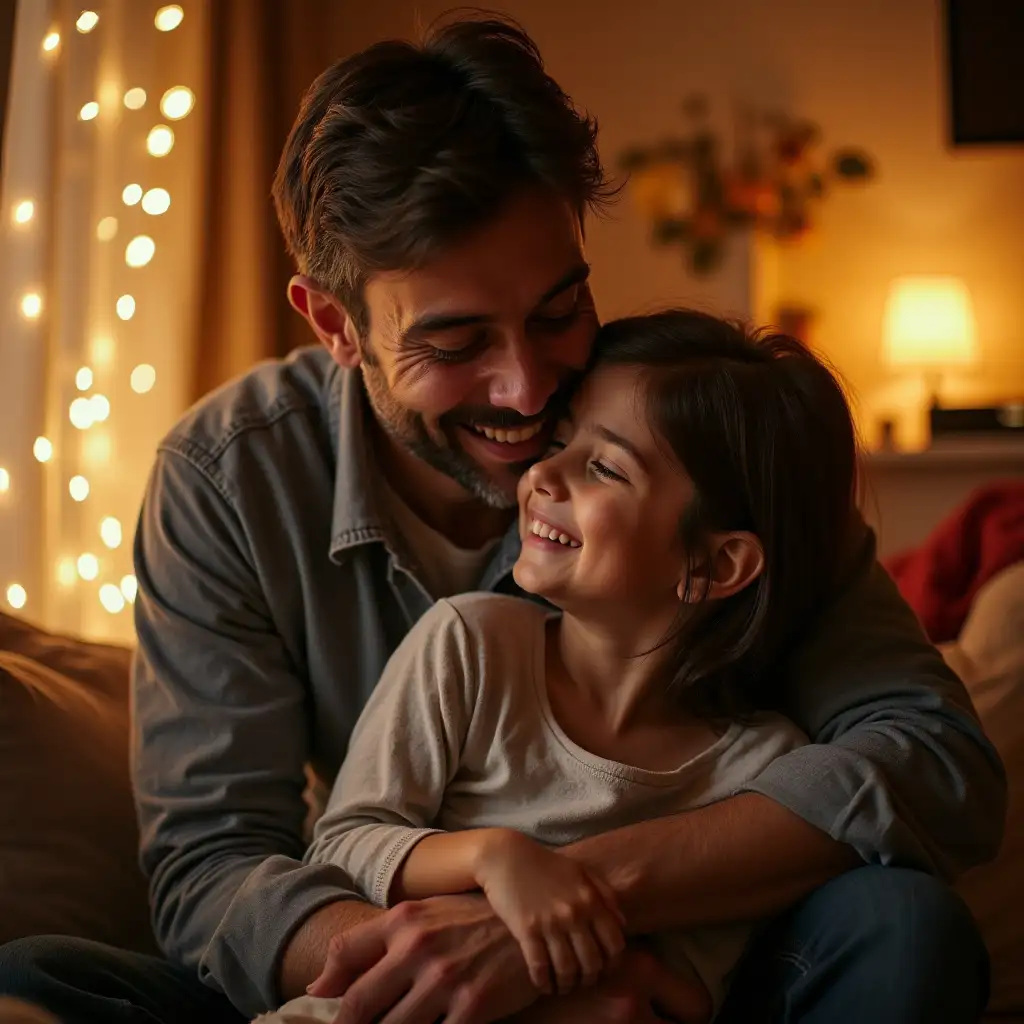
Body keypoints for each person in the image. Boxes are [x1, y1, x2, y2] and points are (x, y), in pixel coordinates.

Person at [0, 14, 1004, 1024]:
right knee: (40, 976)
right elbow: (215, 870)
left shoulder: (717, 453)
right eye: (457, 341)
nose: (529, 393)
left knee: (900, 926)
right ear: (334, 323)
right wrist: (447, 963)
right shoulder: (228, 482)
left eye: (559, 310)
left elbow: (934, 761)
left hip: (656, 969)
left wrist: (568, 923)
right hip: (384, 962)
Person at [255, 310, 859, 1024]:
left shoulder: (762, 774)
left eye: (603, 467)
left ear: (715, 563)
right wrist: (495, 859)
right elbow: (344, 845)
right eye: (564, 440)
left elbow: (682, 995)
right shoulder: (469, 644)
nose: (543, 472)